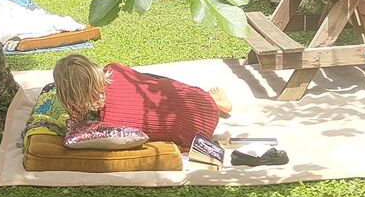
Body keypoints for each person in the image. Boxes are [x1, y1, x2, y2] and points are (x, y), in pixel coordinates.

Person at [51, 54, 232, 150]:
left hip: (193, 137)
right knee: (154, 83)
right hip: (196, 100)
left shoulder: (110, 125)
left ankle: (213, 104)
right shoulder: (115, 70)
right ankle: (214, 102)